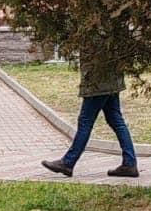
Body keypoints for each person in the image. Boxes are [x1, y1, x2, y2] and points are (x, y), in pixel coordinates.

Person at [41, 46, 139, 178]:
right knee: (116, 120)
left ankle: (67, 163)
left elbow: (96, 54)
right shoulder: (113, 28)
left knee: (85, 122)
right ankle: (129, 163)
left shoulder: (95, 27)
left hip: (97, 83)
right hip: (112, 80)